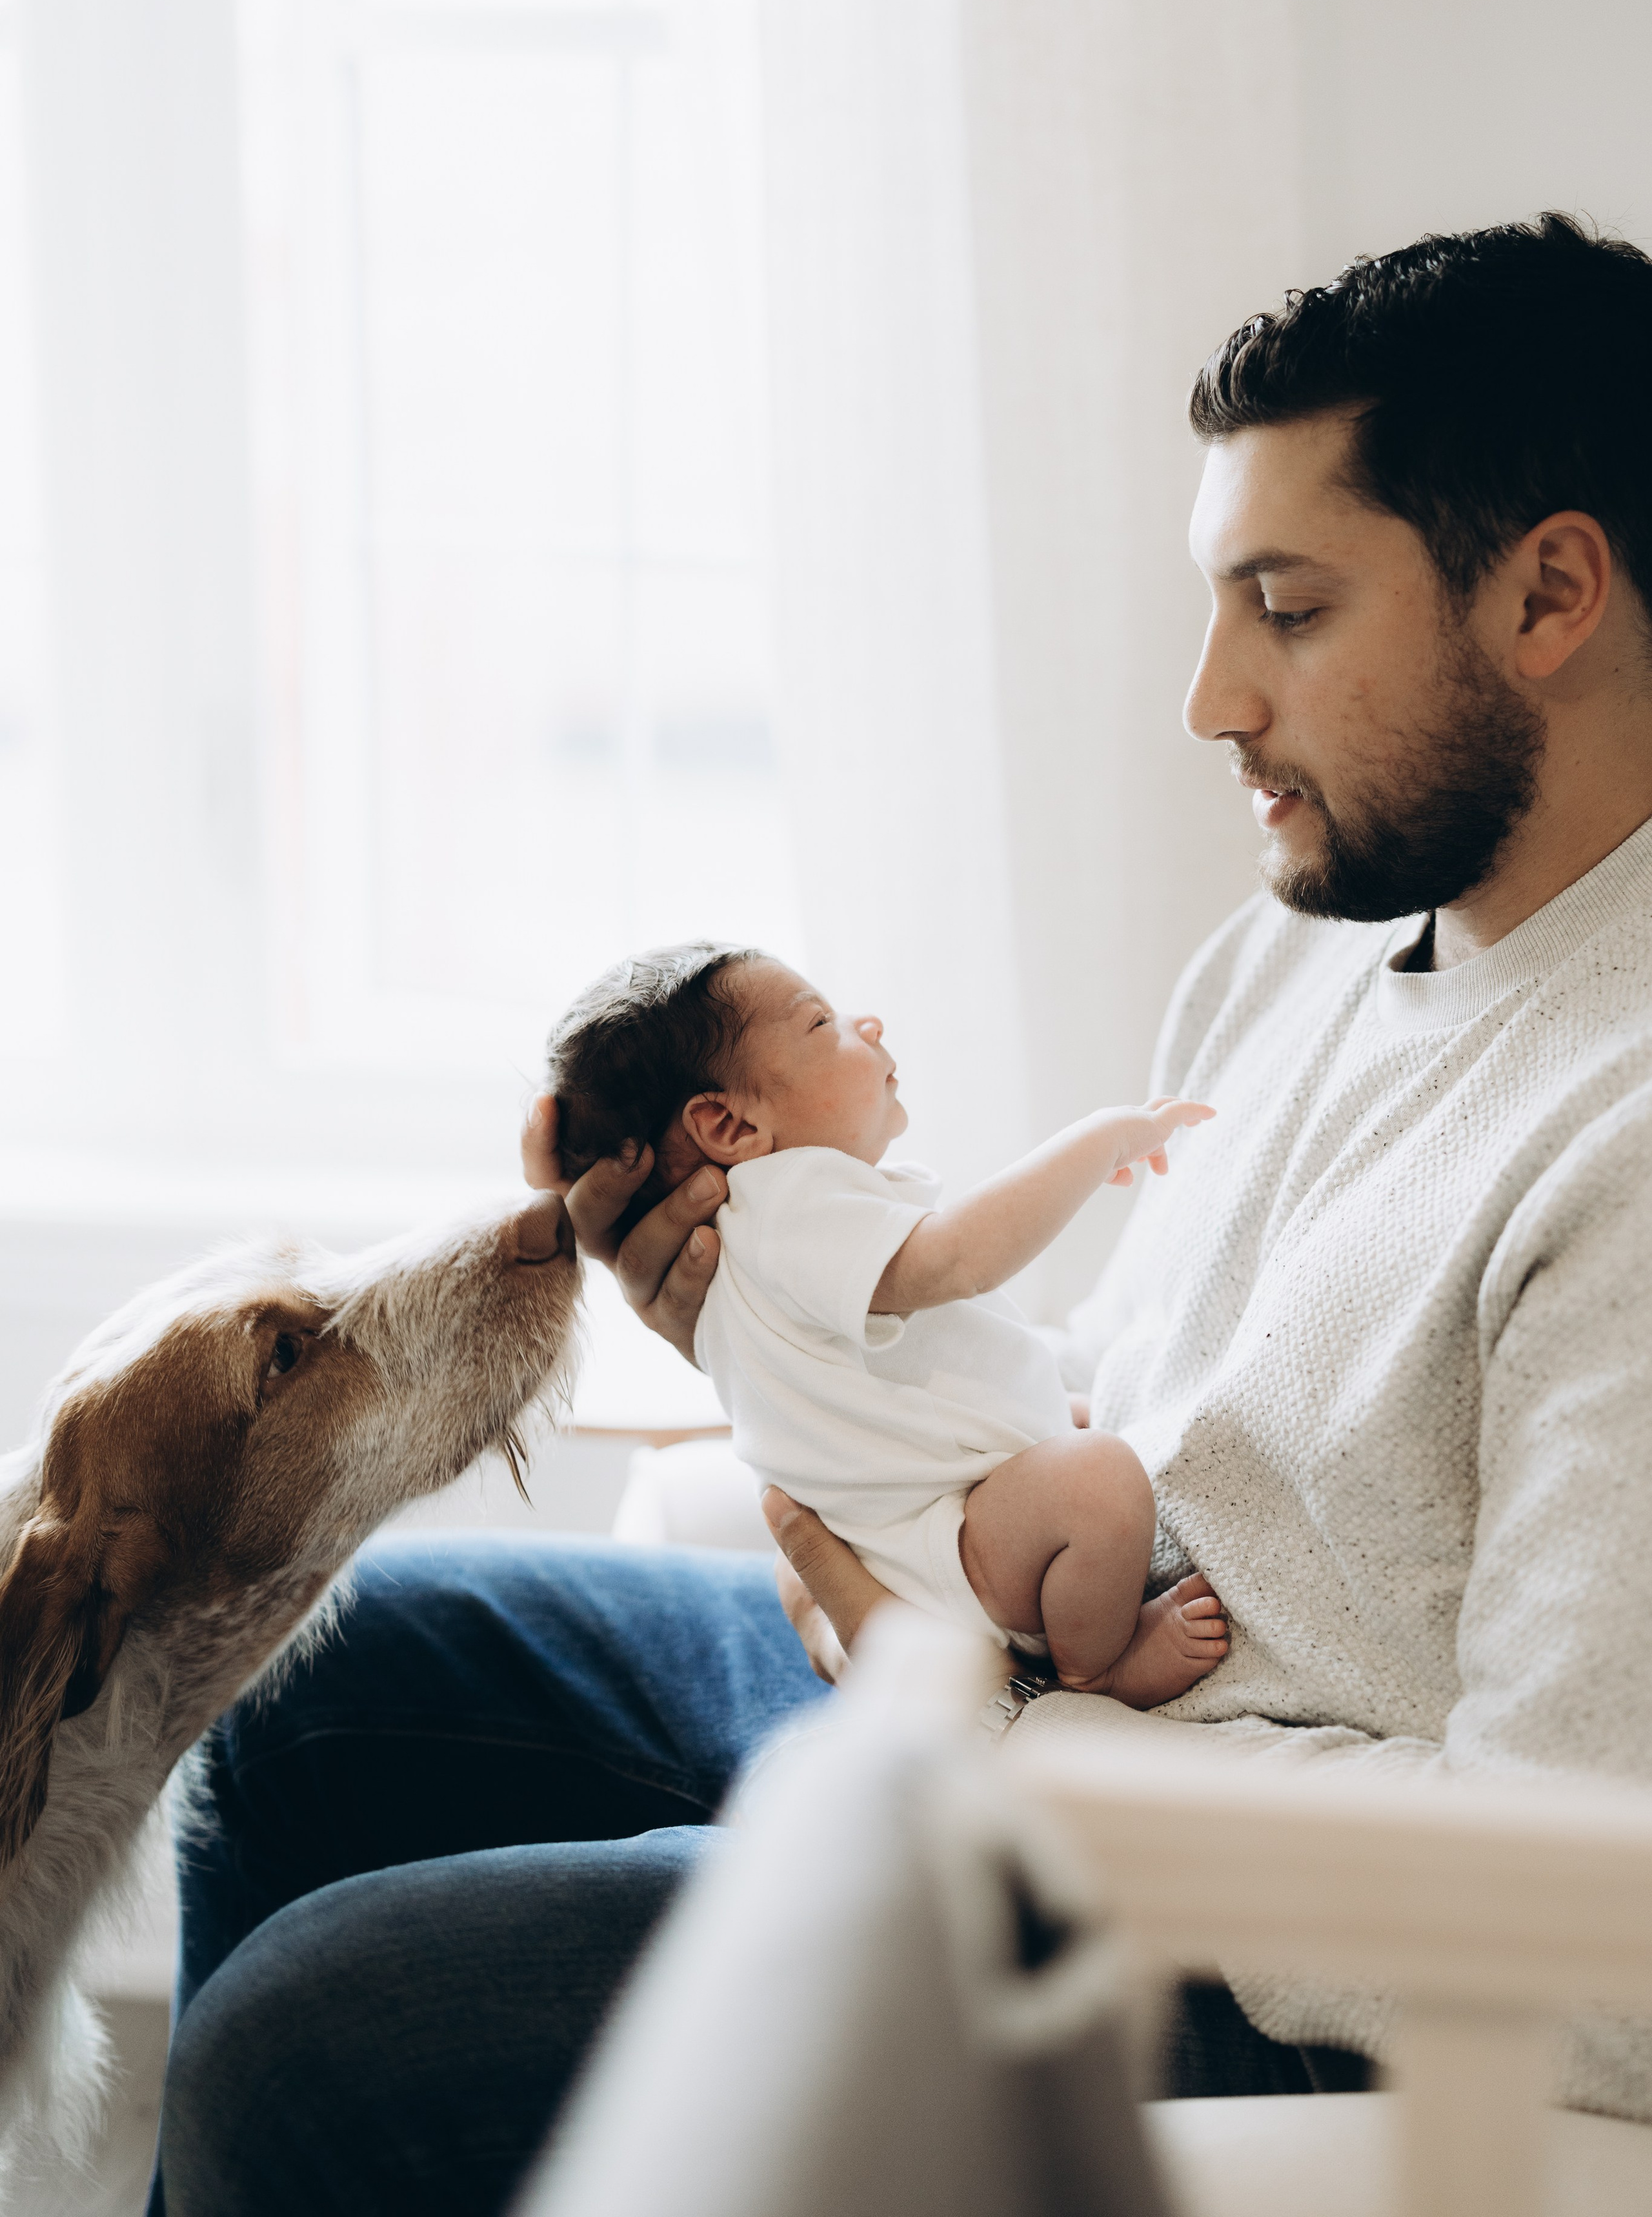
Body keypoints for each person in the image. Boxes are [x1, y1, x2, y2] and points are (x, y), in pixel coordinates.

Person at [152, 214, 1652, 2215]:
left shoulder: (1623, 1129)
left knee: (314, 2044)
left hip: (1206, 1913)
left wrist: (987, 1727)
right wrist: (813, 1343)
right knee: (306, 1685)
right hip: (1002, 1672)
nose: (1210, 699)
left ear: (1550, 591)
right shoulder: (1314, 942)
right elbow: (1143, 1392)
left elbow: (1582, 1937)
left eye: (1282, 606)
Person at [544, 940, 1223, 1696]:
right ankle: (1096, 1669)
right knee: (1098, 1476)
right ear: (731, 1127)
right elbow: (955, 1259)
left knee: (1077, 1421)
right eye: (821, 1024)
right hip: (945, 1557)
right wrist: (1100, 1143)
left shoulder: (759, 1243)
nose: (866, 1024)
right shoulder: (783, 1202)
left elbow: (900, 1385)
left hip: (925, 1540)